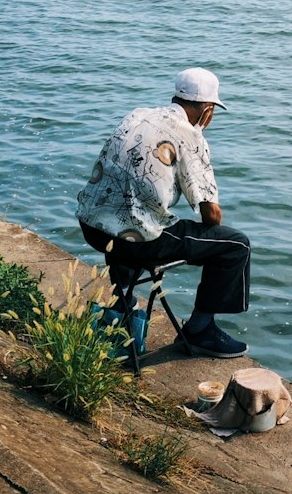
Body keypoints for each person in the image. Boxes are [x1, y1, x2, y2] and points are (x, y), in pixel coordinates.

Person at [77, 66, 250, 359]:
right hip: (132, 241)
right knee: (235, 246)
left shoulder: (136, 114)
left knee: (131, 212)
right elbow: (211, 215)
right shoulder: (191, 136)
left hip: (91, 226)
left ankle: (125, 302)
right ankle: (200, 330)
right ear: (208, 110)